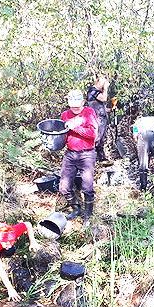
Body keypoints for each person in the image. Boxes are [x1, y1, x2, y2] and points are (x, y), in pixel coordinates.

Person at [60, 89, 98, 223]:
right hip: (70, 154)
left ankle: (88, 215)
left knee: (87, 186)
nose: (75, 108)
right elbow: (63, 135)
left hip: (87, 154)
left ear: (82, 102)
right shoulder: (65, 115)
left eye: (78, 105)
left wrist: (74, 127)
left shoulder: (89, 112)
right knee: (64, 187)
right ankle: (76, 209)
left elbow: (93, 135)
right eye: (72, 105)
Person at [132, 116, 154, 191]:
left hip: (143, 136)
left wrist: (141, 150)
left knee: (143, 163)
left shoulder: (138, 121)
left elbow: (135, 137)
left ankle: (143, 187)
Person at [86, 75, 110, 163]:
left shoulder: (97, 92)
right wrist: (106, 89)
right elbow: (104, 99)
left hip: (101, 118)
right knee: (97, 138)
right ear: (100, 82)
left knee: (101, 139)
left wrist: (108, 110)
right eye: (104, 84)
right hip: (97, 119)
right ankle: (93, 158)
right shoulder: (92, 91)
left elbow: (99, 106)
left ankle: (101, 158)